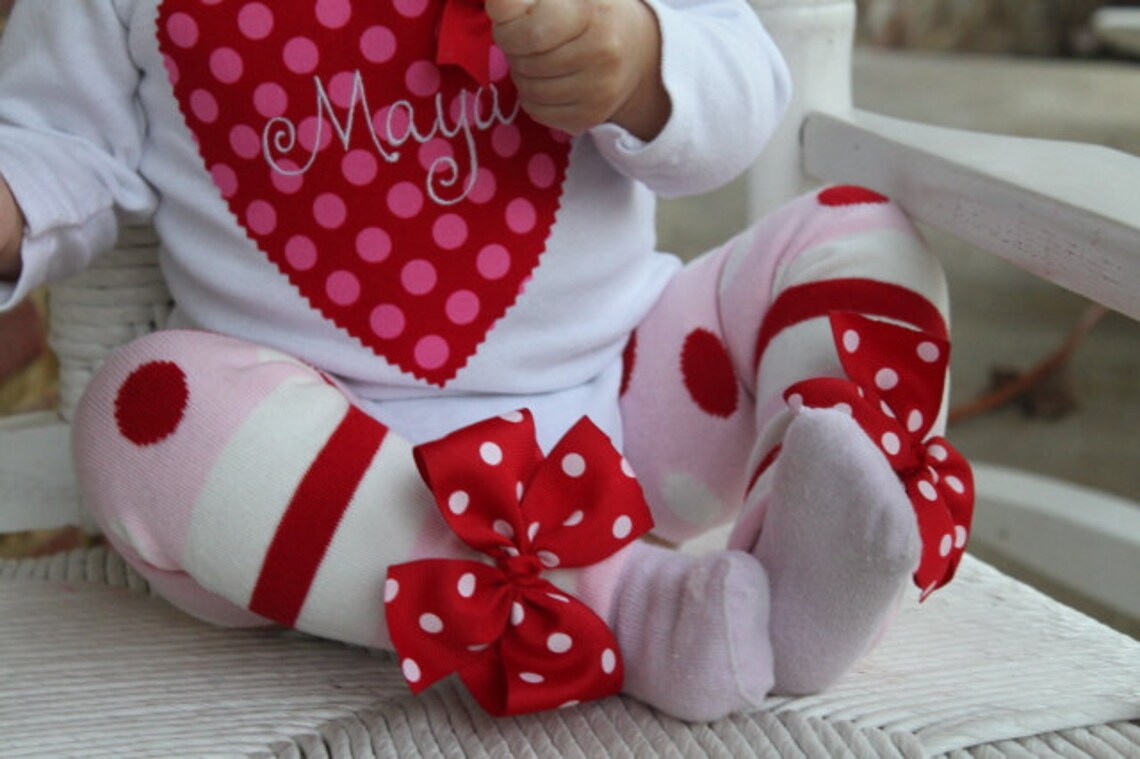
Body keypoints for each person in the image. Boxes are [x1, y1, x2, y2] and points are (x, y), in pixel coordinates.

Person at [0, 0, 972, 720]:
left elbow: (739, 80)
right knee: (147, 415)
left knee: (860, 230)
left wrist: (640, 62)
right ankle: (618, 607)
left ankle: (827, 534)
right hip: (327, 476)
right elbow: (55, 139)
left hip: (631, 416)